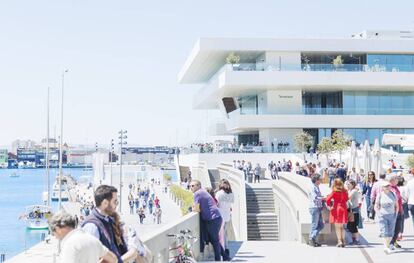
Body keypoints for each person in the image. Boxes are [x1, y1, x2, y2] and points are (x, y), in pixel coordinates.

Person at [50, 211, 118, 263]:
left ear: (57, 229)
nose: (55, 237)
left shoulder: (69, 245)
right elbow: (113, 259)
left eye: (54, 234)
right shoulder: (92, 239)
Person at [82, 185, 126, 262]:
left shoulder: (107, 220)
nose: (116, 205)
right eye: (115, 202)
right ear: (105, 203)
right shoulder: (92, 226)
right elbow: (90, 258)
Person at [190, 180, 230, 261]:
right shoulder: (203, 191)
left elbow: (196, 209)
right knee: (213, 240)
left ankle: (218, 260)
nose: (191, 187)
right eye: (190, 186)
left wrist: (192, 208)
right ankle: (225, 257)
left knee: (214, 240)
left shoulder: (197, 193)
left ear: (198, 185)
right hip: (216, 218)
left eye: (193, 185)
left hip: (213, 219)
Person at [375, 180, 399, 254]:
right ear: (382, 188)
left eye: (388, 186)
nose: (388, 187)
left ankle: (387, 246)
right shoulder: (380, 195)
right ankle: (386, 247)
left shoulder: (393, 194)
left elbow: (397, 206)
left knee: (391, 232)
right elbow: (376, 206)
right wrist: (379, 214)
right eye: (386, 186)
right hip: (383, 215)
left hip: (392, 215)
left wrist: (396, 214)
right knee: (384, 231)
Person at [326, 179, 348, 247]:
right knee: (342, 227)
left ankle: (340, 241)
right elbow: (347, 199)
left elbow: (327, 199)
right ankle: (344, 240)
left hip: (337, 209)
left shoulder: (334, 192)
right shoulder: (345, 191)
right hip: (343, 208)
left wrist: (330, 206)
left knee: (337, 227)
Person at [216, 179, 234, 257]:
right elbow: (230, 205)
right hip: (227, 216)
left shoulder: (219, 193)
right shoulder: (231, 194)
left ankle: (223, 252)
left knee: (220, 235)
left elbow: (216, 205)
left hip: (220, 217)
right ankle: (226, 250)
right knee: (225, 234)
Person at [308, 174, 324, 247]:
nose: (321, 180)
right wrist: (323, 198)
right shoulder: (312, 187)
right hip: (314, 207)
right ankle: (312, 239)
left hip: (318, 207)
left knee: (321, 225)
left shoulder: (316, 187)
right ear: (316, 180)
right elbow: (315, 197)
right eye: (320, 179)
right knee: (315, 225)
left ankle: (312, 238)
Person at [389, 175, 404, 249]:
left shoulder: (395, 188)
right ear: (392, 180)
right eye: (396, 179)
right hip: (394, 211)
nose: (398, 180)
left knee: (398, 228)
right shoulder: (390, 188)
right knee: (395, 228)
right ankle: (391, 242)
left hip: (399, 210)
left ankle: (393, 241)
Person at [347, 179, 361, 245]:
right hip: (351, 210)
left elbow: (348, 198)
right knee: (350, 226)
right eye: (347, 184)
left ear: (353, 185)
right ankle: (354, 239)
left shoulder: (354, 191)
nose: (347, 185)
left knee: (353, 225)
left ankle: (357, 240)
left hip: (354, 210)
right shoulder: (349, 190)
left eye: (348, 184)